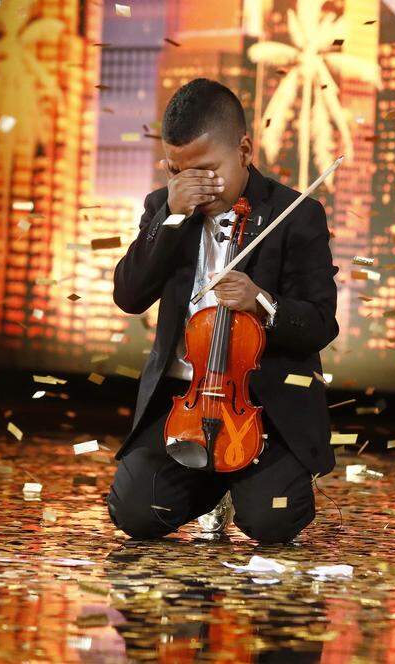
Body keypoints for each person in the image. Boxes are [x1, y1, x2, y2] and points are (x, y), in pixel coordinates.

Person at [106, 78, 339, 544]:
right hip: (185, 404)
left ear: (244, 151)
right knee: (134, 513)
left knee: (271, 521)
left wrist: (262, 302)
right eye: (178, 171)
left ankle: (244, 489)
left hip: (263, 406)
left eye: (207, 171)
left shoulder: (297, 214)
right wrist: (170, 216)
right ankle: (210, 489)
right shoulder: (166, 208)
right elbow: (129, 296)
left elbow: (320, 323)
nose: (194, 185)